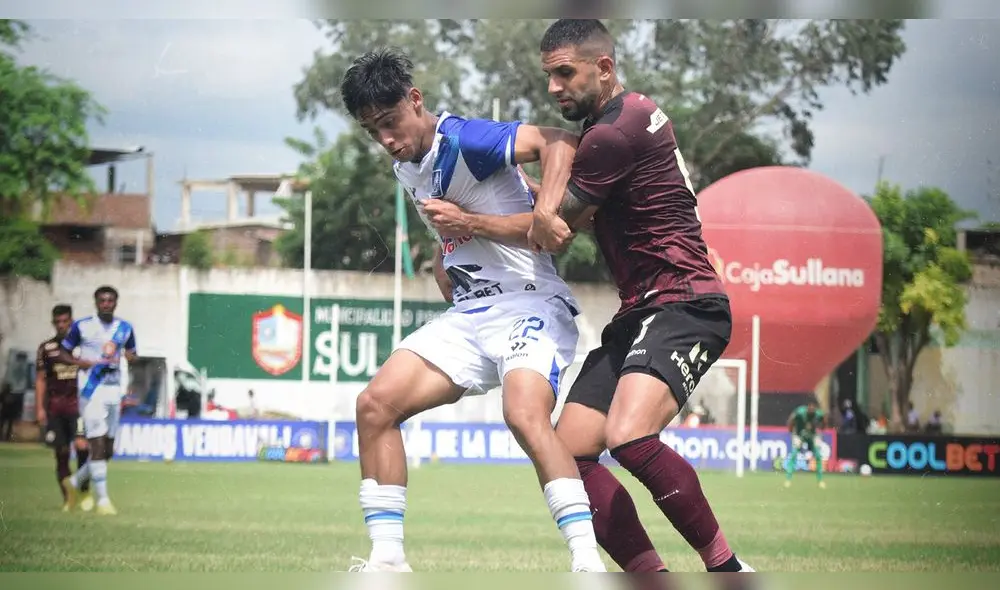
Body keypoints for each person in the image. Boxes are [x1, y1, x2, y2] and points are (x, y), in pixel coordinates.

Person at [337, 48, 606, 573]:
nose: (385, 139)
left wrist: (544, 211)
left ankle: (586, 561)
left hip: (530, 301)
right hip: (471, 315)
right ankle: (387, 560)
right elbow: (457, 221)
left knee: (523, 414)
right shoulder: (405, 164)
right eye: (372, 131)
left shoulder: (463, 139)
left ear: (415, 100)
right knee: (374, 406)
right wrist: (447, 255)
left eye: (390, 122)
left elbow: (559, 141)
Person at [527, 19, 754, 573]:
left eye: (565, 73)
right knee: (569, 453)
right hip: (643, 309)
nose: (554, 87)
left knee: (629, 436)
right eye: (549, 76)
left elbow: (554, 229)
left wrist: (470, 212)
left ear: (604, 67)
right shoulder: (629, 113)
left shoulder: (610, 135)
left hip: (684, 302)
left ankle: (728, 570)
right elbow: (573, 210)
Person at [58, 285, 137, 515]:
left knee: (108, 450)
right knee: (98, 445)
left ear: (116, 303)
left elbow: (132, 354)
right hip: (91, 391)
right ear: (96, 302)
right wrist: (79, 363)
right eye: (102, 300)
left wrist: (129, 357)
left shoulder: (124, 328)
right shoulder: (82, 326)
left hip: (113, 391)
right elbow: (63, 352)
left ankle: (74, 482)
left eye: (110, 300)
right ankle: (103, 501)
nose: (106, 304)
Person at [36, 304, 94, 511]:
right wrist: (40, 408)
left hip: (77, 407)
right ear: (53, 323)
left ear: (71, 322)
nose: (61, 325)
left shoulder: (81, 346)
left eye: (65, 321)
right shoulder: (46, 348)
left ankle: (84, 491)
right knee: (61, 453)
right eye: (58, 322)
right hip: (55, 408)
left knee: (82, 447)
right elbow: (41, 379)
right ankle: (68, 498)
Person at [784, 402, 827, 488]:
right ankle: (788, 479)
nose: (811, 411)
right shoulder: (800, 412)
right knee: (793, 454)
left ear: (815, 410)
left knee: (818, 455)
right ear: (807, 408)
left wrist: (823, 427)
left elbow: (824, 419)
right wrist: (791, 430)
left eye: (813, 410)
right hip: (799, 435)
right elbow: (791, 419)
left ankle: (820, 480)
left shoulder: (818, 414)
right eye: (810, 409)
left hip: (812, 435)